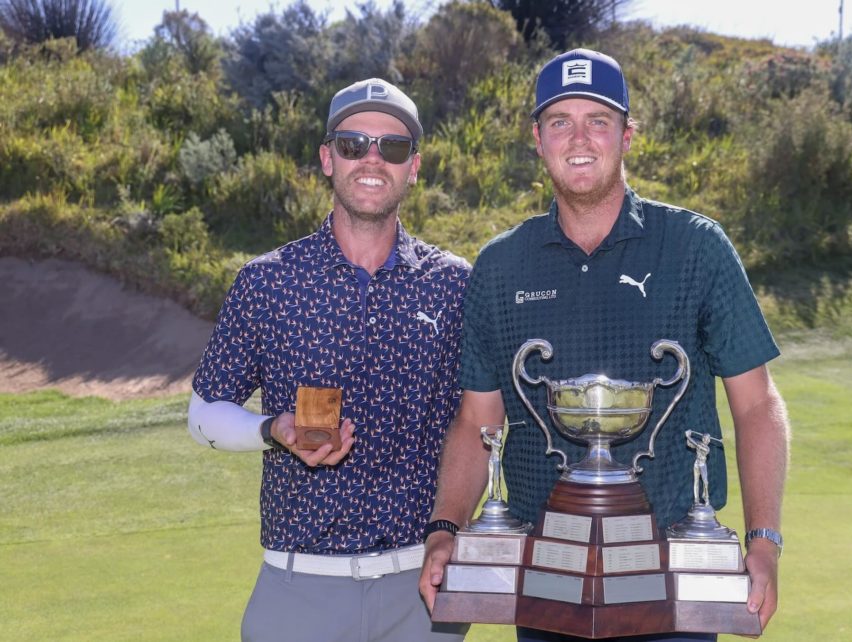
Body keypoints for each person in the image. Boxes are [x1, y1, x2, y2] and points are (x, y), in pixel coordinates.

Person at [419, 49, 791, 642]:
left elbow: (757, 406)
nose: (579, 137)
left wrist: (764, 540)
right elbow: (476, 421)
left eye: (598, 119)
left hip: (673, 585)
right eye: (560, 121)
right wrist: (445, 526)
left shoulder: (697, 248)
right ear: (537, 139)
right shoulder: (499, 265)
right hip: (547, 586)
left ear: (627, 134)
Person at [188, 78, 470, 642]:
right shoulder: (267, 281)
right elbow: (203, 414)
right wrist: (274, 430)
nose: (372, 159)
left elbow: (476, 424)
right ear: (326, 158)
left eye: (392, 148)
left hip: (422, 592)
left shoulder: (455, 285)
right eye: (352, 144)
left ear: (414, 166)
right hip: (298, 589)